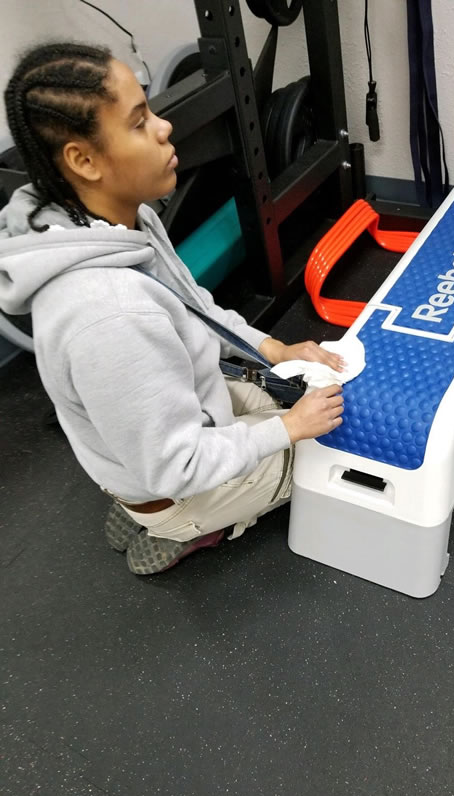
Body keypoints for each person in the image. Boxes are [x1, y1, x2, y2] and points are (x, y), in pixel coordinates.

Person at [0, 42, 344, 575]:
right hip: (176, 482)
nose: (164, 129)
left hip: (149, 445)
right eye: (139, 123)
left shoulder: (113, 222)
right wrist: (291, 430)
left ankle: (146, 509)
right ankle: (195, 527)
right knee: (326, 444)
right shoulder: (110, 317)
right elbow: (177, 464)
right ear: (84, 160)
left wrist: (273, 347)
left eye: (151, 111)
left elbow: (192, 306)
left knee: (289, 395)